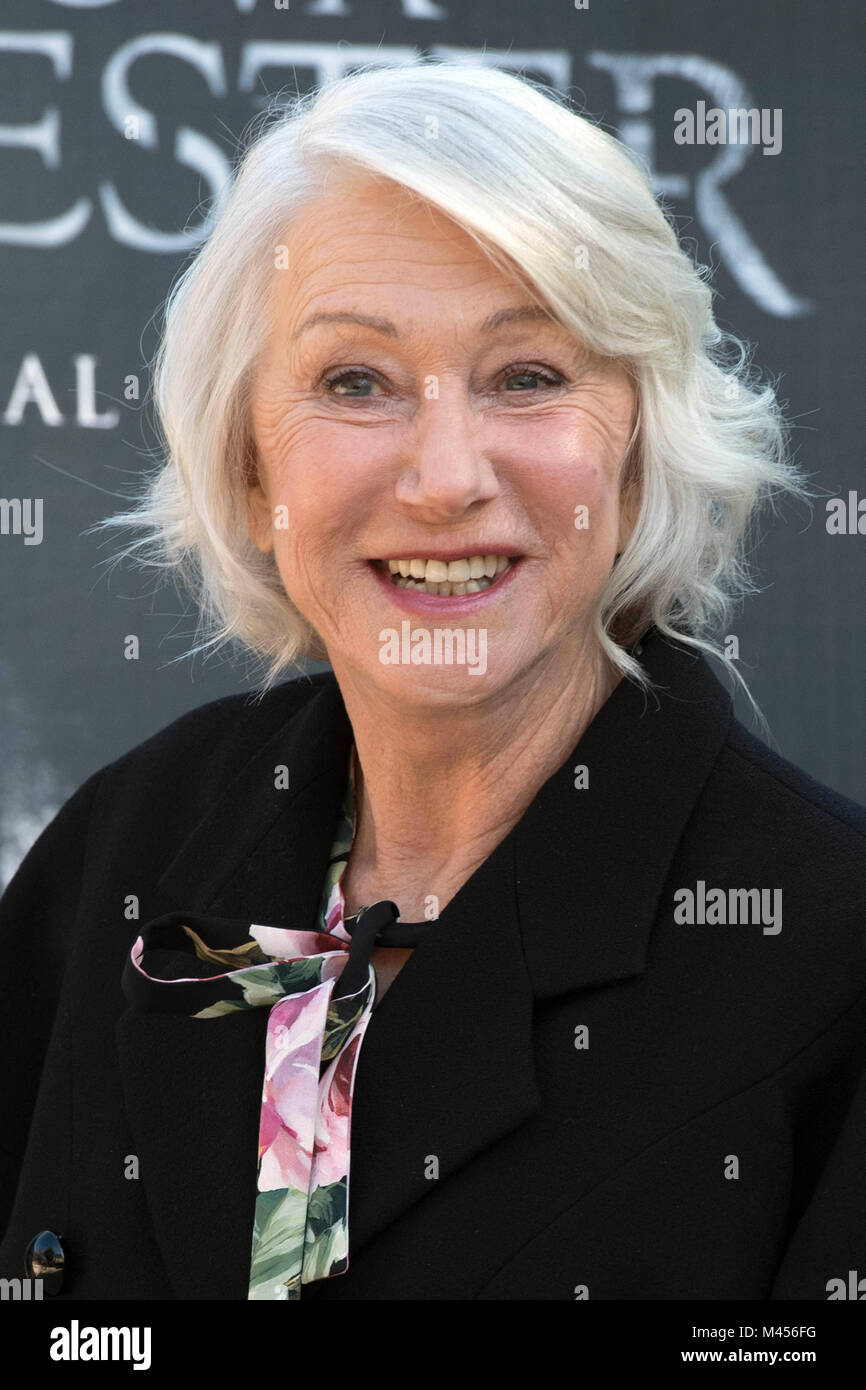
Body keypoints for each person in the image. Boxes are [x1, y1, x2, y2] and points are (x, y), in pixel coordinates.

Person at [1, 61, 864, 1302]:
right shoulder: (124, 847)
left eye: (528, 376)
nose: (446, 475)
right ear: (250, 465)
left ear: (634, 450)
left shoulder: (827, 957)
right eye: (355, 382)